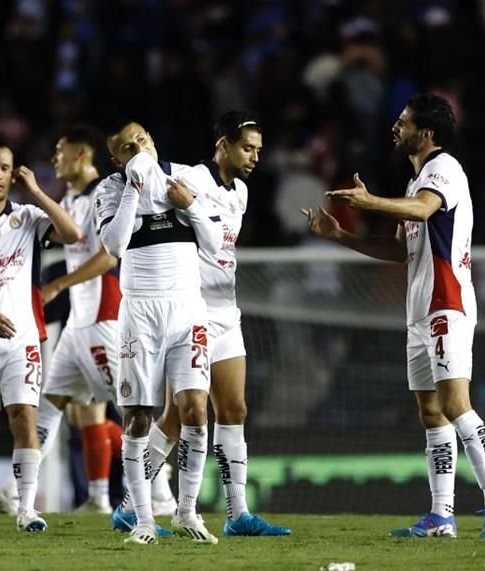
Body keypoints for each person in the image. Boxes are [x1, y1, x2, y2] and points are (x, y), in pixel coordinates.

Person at [303, 92, 485, 540]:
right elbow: (402, 250)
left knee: (456, 404)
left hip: (447, 303)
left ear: (428, 132)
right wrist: (340, 234)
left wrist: (368, 202)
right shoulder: (415, 181)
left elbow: (422, 209)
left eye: (403, 121)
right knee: (430, 412)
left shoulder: (444, 170)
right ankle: (442, 516)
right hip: (419, 308)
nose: (395, 127)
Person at [134, 111, 291, 537]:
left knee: (235, 408)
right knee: (180, 416)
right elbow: (152, 167)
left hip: (227, 311)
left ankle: (237, 514)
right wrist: (142, 146)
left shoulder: (240, 191)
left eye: (258, 149)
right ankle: (131, 505)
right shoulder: (189, 177)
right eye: (247, 148)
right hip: (192, 310)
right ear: (223, 145)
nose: (255, 157)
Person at [96, 120, 222, 544]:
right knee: (138, 416)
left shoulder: (186, 178)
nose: (137, 149)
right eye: (126, 148)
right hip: (140, 314)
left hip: (188, 310)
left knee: (196, 411)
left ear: (152, 138)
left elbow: (216, 244)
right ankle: (145, 521)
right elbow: (114, 245)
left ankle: (187, 512)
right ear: (116, 159)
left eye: (142, 140)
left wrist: (188, 206)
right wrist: (134, 187)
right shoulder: (111, 190)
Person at [0, 141, 82, 534]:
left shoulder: (28, 217)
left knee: (24, 419)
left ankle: (27, 508)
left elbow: (73, 233)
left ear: (14, 174)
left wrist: (39, 193)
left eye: (4, 168)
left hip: (21, 341)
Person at [31, 125, 140, 514]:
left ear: (81, 154)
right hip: (79, 322)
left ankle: (159, 492)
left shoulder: (103, 194)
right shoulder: (73, 197)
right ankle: (28, 493)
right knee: (53, 404)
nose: (54, 158)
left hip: (103, 318)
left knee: (132, 408)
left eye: (60, 150)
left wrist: (58, 284)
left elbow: (110, 256)